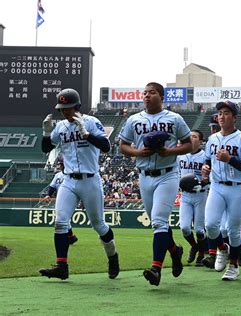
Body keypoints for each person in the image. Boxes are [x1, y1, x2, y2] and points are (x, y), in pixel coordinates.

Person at [39, 88, 119, 280]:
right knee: (60, 222)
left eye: (68, 107)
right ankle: (61, 266)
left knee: (99, 225)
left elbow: (107, 147)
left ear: (77, 106)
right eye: (62, 108)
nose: (65, 111)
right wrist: (45, 133)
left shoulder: (91, 122)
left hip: (90, 179)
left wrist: (88, 134)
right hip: (68, 180)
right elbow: (45, 148)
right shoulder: (60, 127)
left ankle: (113, 257)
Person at [119, 82, 193, 286]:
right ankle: (175, 251)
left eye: (151, 93)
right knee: (157, 223)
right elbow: (123, 146)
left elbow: (190, 144)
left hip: (167, 174)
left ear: (161, 97)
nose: (146, 96)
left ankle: (156, 269)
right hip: (144, 175)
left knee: (159, 222)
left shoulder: (174, 118)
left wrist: (170, 152)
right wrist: (137, 153)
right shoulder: (134, 120)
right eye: (145, 93)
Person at [201, 101, 241, 281]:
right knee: (211, 226)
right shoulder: (213, 139)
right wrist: (205, 168)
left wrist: (230, 159)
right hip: (216, 186)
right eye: (220, 113)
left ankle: (233, 266)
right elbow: (207, 160)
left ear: (235, 117)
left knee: (233, 230)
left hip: (237, 188)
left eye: (226, 113)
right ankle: (223, 248)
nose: (222, 116)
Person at [177, 130, 208, 267]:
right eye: (189, 136)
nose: (191, 138)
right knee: (184, 228)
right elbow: (177, 173)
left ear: (201, 141)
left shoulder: (205, 156)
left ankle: (201, 255)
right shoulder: (181, 155)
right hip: (185, 196)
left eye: (195, 137)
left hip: (201, 194)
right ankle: (195, 246)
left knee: (200, 229)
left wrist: (203, 182)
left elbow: (210, 177)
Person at [44, 156, 78, 245]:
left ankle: (70, 237)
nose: (61, 166)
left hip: (70, 199)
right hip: (60, 199)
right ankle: (71, 237)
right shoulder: (58, 175)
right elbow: (52, 186)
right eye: (60, 164)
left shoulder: (73, 175)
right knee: (64, 219)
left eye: (62, 164)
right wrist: (48, 195)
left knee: (63, 219)